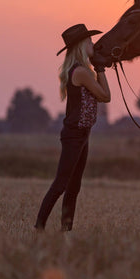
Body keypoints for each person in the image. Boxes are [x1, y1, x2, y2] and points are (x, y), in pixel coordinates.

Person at [35, 24, 110, 231]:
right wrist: (101, 68)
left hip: (82, 133)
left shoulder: (80, 70)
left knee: (73, 187)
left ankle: (65, 230)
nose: (93, 44)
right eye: (90, 42)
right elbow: (105, 96)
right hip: (75, 134)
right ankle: (39, 226)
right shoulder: (82, 72)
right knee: (61, 183)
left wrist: (98, 68)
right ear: (81, 45)